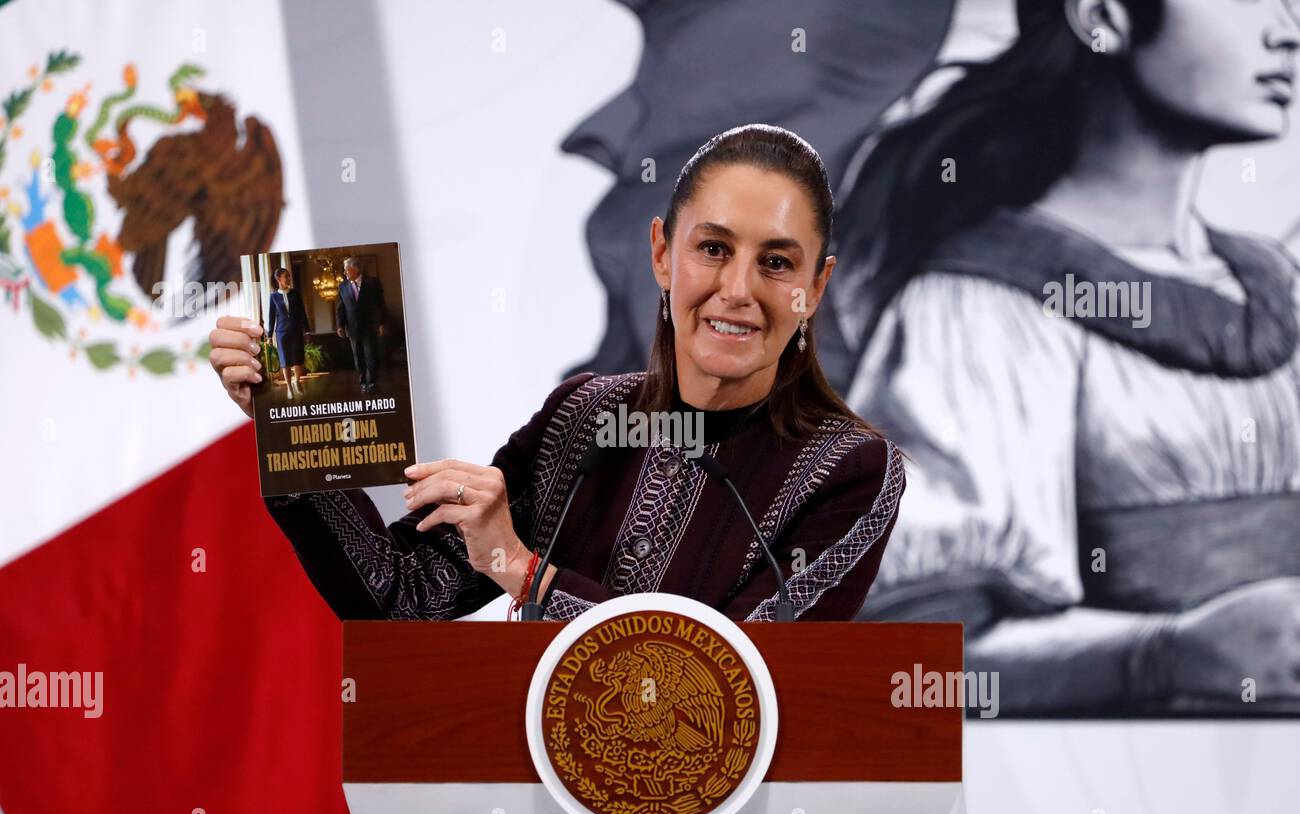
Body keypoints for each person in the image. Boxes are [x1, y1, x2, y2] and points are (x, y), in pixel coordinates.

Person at [208, 124, 907, 622]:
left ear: (816, 287)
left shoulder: (849, 469)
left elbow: (727, 679)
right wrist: (292, 419)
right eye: (714, 248)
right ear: (663, 254)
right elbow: (400, 598)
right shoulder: (583, 418)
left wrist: (521, 568)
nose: (738, 289)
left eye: (778, 263)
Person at [832, 0, 1300, 712]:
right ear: (1103, 14)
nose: (1288, 31)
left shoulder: (1278, 285)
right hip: (1105, 791)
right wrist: (1162, 655)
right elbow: (899, 667)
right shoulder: (979, 309)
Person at [334, 256, 386, 393]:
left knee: (370, 355)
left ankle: (372, 382)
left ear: (355, 269)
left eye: (346, 270)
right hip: (352, 328)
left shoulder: (373, 282)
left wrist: (381, 323)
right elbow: (340, 308)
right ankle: (363, 382)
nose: (344, 273)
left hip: (370, 326)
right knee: (358, 356)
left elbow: (380, 305)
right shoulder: (343, 286)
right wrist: (340, 325)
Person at [265, 267, 309, 401]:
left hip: (296, 330)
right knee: (285, 361)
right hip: (281, 332)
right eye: (286, 277)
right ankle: (289, 387)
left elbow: (302, 312)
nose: (289, 279)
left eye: (289, 276)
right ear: (279, 279)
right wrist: (269, 335)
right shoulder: (273, 297)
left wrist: (307, 330)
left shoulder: (295, 293)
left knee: (297, 359)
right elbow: (271, 317)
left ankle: (297, 381)